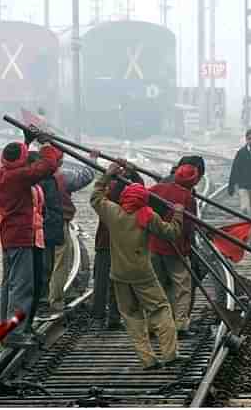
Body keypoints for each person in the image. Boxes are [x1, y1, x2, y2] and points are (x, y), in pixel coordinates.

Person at [91, 160, 184, 370]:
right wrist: (177, 213)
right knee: (160, 309)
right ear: (143, 201)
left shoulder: (112, 213)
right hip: (143, 273)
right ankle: (170, 354)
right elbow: (172, 233)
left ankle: (147, 359)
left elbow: (95, 197)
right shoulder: (146, 215)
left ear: (123, 198)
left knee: (132, 316)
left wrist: (107, 175)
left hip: (119, 274)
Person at [0, 134, 62, 346]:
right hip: (22, 236)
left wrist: (27, 141)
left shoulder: (2, 174)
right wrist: (47, 145)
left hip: (9, 236)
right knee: (22, 285)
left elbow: (19, 159)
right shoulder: (19, 177)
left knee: (9, 284)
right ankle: (14, 332)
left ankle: (6, 328)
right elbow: (47, 166)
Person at [149, 164, 200, 337]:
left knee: (158, 286)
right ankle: (180, 326)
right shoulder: (188, 198)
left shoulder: (157, 188)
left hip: (154, 245)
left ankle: (155, 325)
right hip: (176, 249)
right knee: (182, 287)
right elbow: (188, 228)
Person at [93, 167, 145, 328]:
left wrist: (108, 175)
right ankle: (114, 317)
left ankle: (99, 318)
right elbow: (141, 187)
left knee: (101, 283)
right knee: (119, 283)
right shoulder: (133, 201)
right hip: (123, 246)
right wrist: (132, 172)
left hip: (105, 243)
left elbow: (97, 194)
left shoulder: (108, 202)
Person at [49, 155, 96, 312]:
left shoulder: (31, 174)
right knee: (61, 262)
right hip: (58, 222)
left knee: (42, 261)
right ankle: (55, 300)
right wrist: (92, 159)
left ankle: (41, 296)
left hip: (37, 223)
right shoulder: (62, 176)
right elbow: (85, 176)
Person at [25, 150, 64, 319]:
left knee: (43, 269)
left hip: (45, 230)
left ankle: (38, 305)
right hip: (42, 231)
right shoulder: (41, 182)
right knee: (43, 269)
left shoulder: (44, 180)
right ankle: (39, 305)